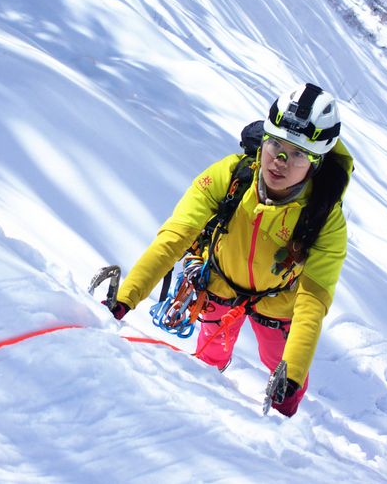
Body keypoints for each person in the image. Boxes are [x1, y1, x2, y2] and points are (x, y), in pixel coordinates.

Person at [105, 83, 353, 416]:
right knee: (210, 356)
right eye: (275, 144)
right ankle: (206, 401)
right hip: (220, 283)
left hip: (279, 301)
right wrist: (125, 298)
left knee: (278, 364)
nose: (280, 161)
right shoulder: (231, 176)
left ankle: (287, 421)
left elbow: (312, 300)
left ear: (316, 163)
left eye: (298, 154)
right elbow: (175, 237)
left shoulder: (326, 220)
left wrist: (292, 377)